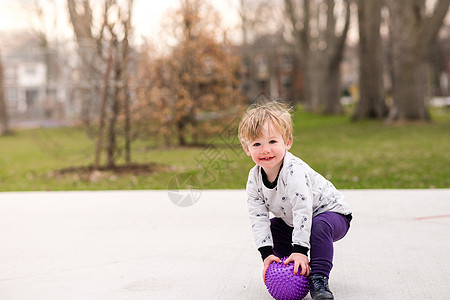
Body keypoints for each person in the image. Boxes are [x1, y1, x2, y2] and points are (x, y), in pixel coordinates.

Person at [238, 101, 352, 300]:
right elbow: (258, 217)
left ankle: (318, 277)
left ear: (287, 142)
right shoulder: (254, 178)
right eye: (257, 144)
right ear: (247, 149)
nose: (265, 150)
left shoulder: (294, 171)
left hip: (332, 214)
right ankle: (292, 269)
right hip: (296, 220)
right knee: (275, 227)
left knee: (319, 225)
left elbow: (303, 209)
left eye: (272, 142)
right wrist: (266, 255)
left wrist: (300, 249)